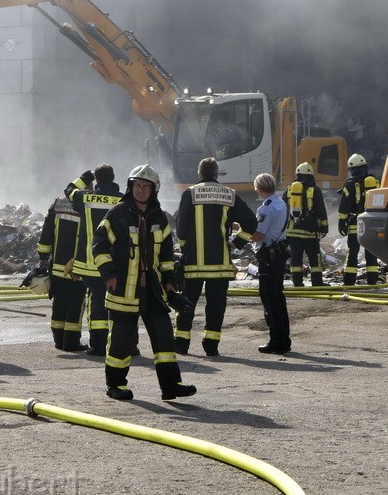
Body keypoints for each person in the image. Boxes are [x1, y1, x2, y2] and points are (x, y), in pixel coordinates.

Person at [92, 164, 197, 401]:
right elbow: (99, 243)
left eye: (145, 186)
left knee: (164, 337)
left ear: (153, 190)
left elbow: (168, 256)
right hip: (123, 289)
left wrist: (170, 283)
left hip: (153, 287)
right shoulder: (117, 214)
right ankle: (116, 385)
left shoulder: (160, 218)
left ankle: (171, 386)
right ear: (131, 187)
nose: (140, 190)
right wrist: (108, 272)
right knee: (121, 341)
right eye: (137, 185)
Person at [173, 157, 259, 356]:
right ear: (216, 174)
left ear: (199, 174)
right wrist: (237, 242)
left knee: (186, 303)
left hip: (193, 264)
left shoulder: (190, 193)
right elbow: (251, 223)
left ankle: (181, 343)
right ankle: (211, 345)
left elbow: (181, 227)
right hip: (220, 265)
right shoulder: (229, 194)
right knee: (216, 305)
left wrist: (186, 248)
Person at [65, 163, 123, 356]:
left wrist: (84, 177)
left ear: (96, 179)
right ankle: (121, 343)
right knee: (116, 304)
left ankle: (97, 345)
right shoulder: (122, 200)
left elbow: (69, 190)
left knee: (96, 302)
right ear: (113, 177)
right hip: (113, 264)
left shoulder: (84, 197)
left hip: (89, 263)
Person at [37, 192, 86, 351]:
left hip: (57, 265)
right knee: (75, 304)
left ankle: (58, 340)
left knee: (59, 302)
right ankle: (71, 342)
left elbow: (47, 230)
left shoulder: (59, 203)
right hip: (77, 267)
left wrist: (44, 256)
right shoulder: (87, 204)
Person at [250, 172, 293, 354]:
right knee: (278, 297)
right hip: (279, 252)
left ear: (259, 189)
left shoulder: (265, 208)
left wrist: (239, 235)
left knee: (269, 297)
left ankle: (276, 341)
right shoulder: (281, 203)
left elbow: (258, 235)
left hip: (269, 256)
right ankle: (284, 339)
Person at [282, 162, 329, 286]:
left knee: (296, 258)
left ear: (297, 175)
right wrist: (324, 227)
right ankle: (317, 282)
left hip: (293, 232)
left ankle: (297, 282)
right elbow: (320, 210)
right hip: (310, 232)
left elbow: (283, 210)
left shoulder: (289, 189)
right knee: (314, 258)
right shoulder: (315, 190)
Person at [338, 153, 380, 285]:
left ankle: (349, 282)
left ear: (352, 169)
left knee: (353, 252)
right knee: (371, 251)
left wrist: (341, 223)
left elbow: (344, 206)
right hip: (370, 222)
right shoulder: (374, 181)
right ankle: (372, 281)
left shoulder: (350, 184)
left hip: (354, 224)